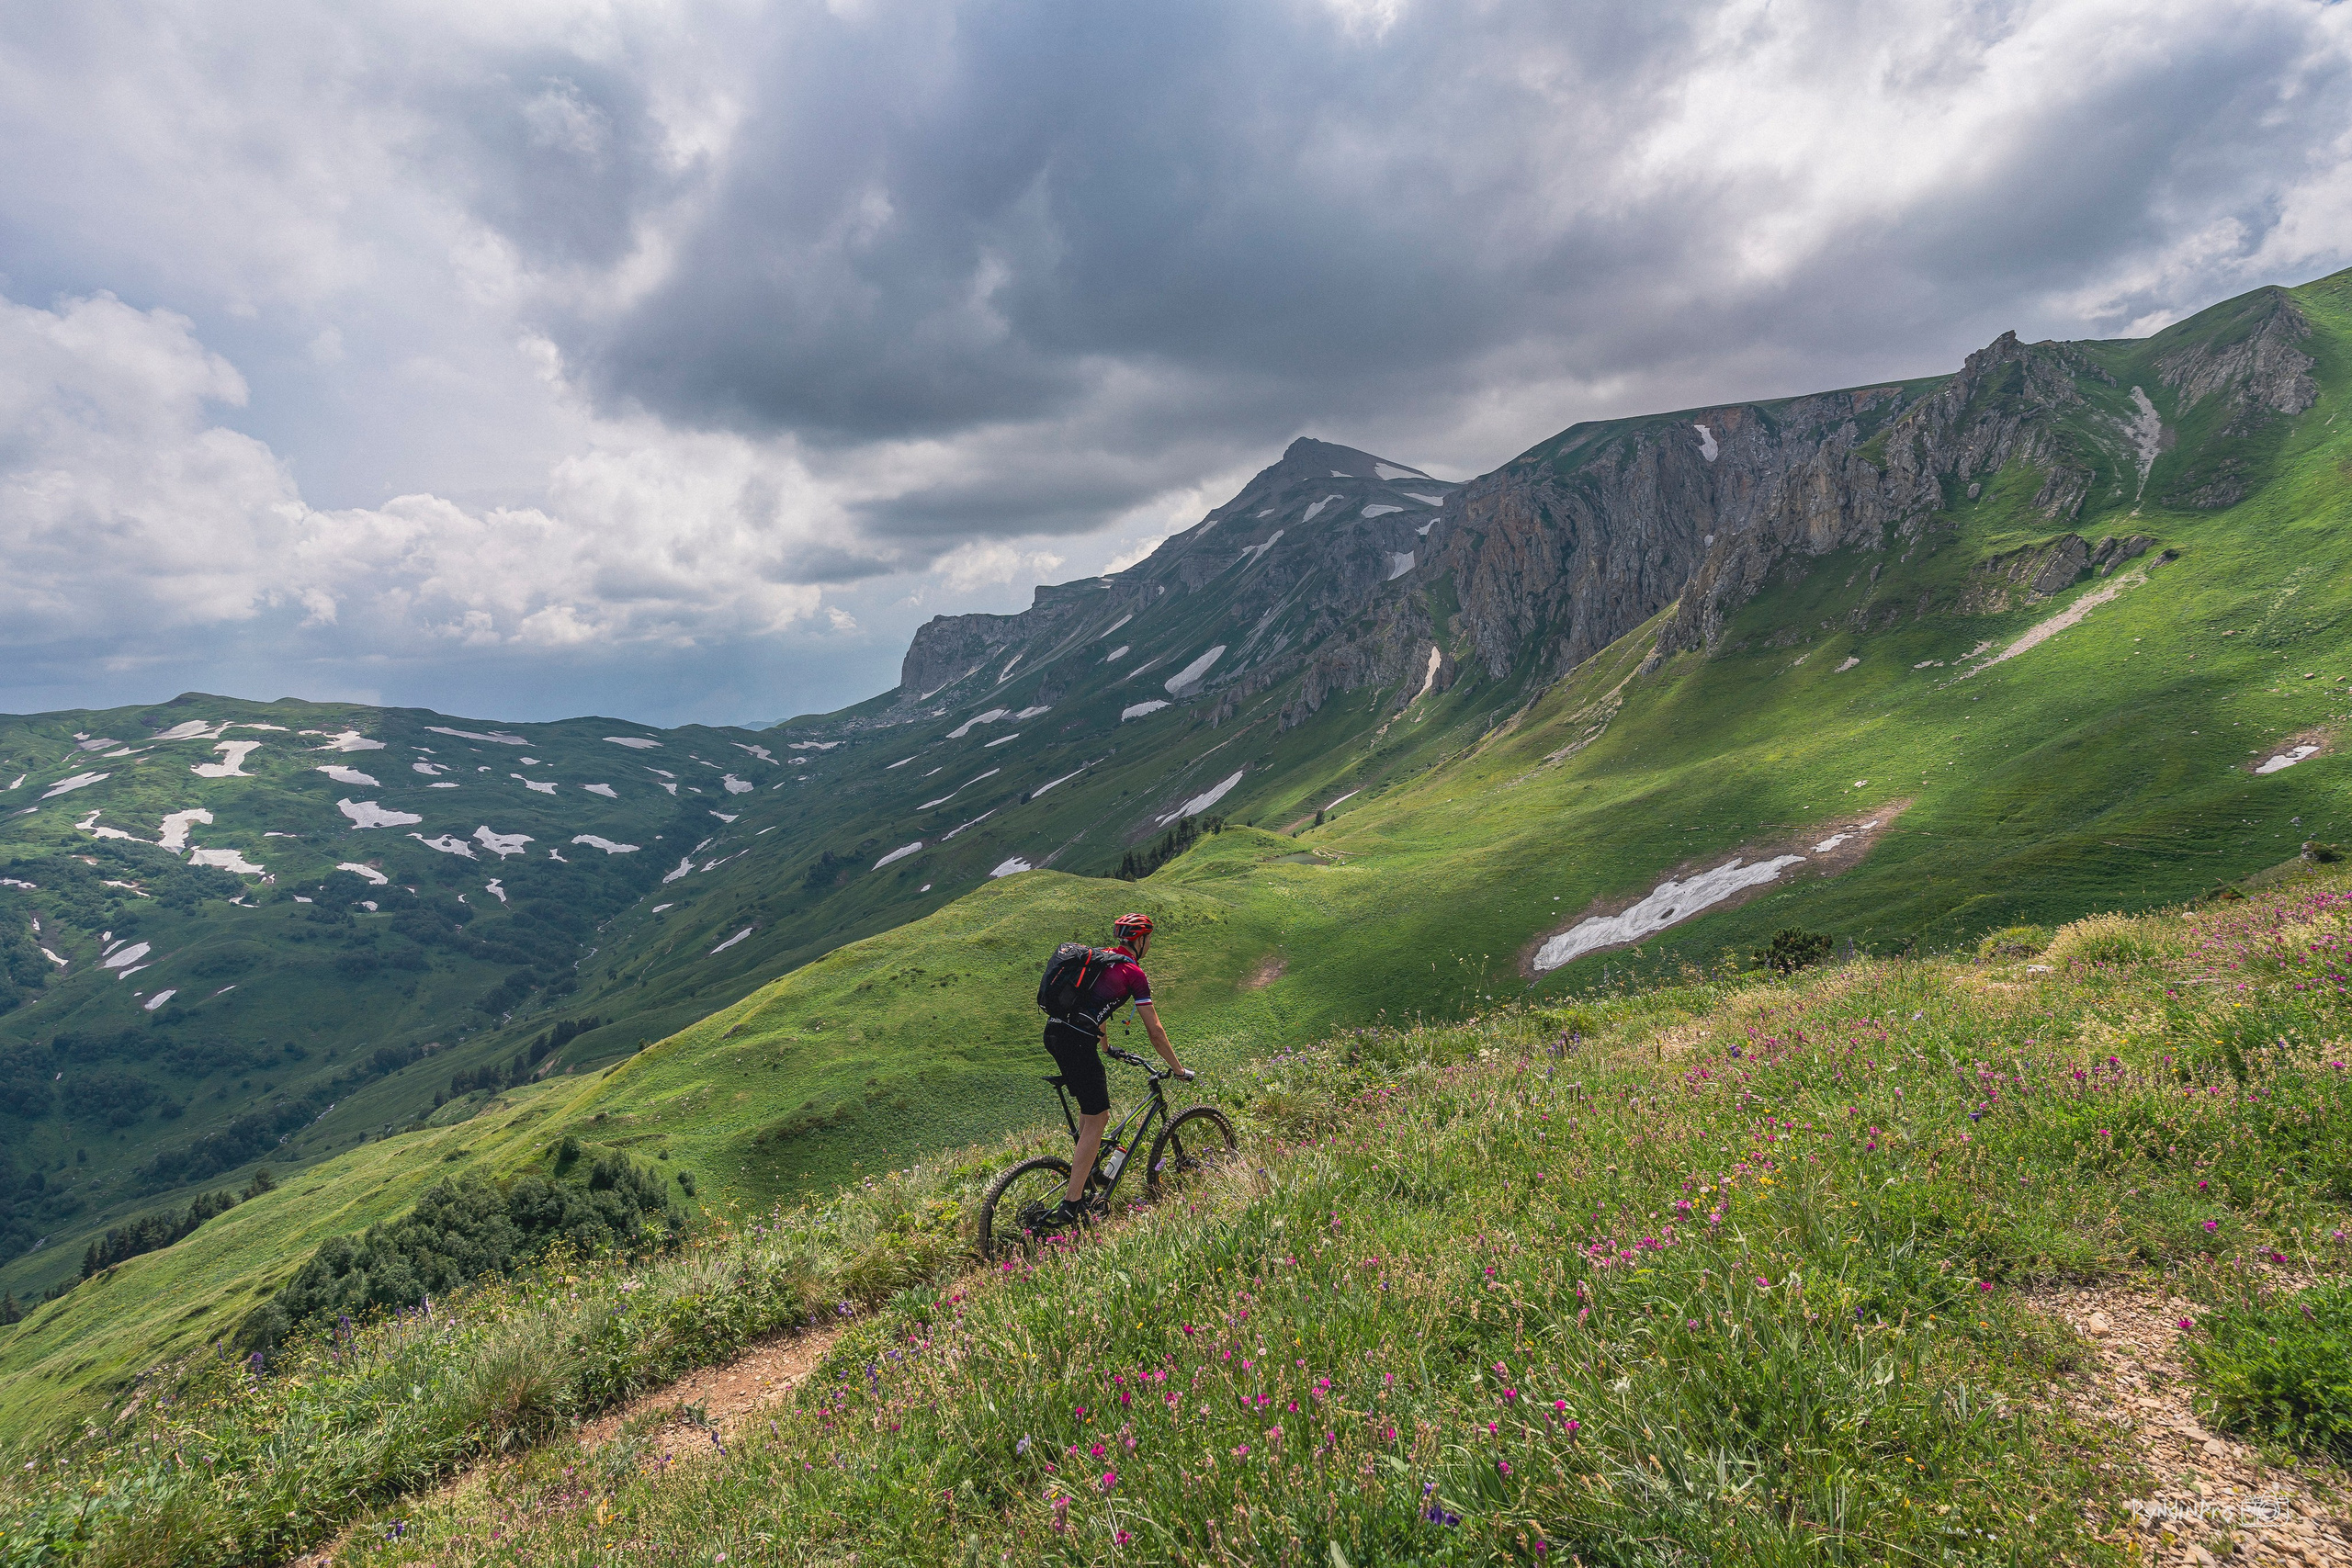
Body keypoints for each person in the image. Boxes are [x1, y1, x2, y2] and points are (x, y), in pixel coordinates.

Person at [1041, 911, 1190, 1229]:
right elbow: (1155, 1031)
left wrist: (1106, 1047)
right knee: (1100, 1118)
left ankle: (1091, 1170)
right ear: (1141, 940)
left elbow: (1097, 1007)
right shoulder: (1132, 972)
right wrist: (1177, 1069)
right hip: (1077, 1042)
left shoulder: (1103, 958)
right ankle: (1072, 1202)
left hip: (1054, 1033)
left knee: (1089, 1109)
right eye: (1149, 940)